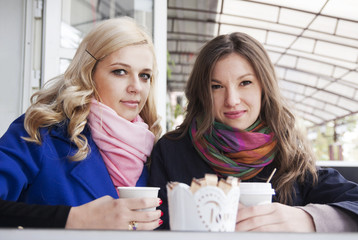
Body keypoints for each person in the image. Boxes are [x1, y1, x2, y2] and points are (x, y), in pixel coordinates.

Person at [148, 32, 358, 232]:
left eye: (245, 83)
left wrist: (306, 219)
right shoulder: (172, 151)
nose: (232, 100)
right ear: (202, 93)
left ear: (264, 88)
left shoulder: (288, 157)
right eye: (216, 86)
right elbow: (150, 226)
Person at [0, 16, 163, 230]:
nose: (136, 87)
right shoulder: (39, 131)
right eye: (120, 71)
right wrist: (73, 218)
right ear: (88, 73)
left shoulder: (156, 151)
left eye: (144, 75)